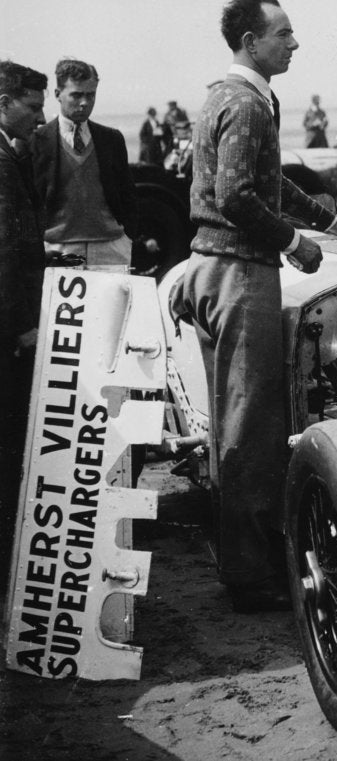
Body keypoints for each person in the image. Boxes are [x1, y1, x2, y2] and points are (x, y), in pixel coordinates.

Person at [174, 0, 337, 614]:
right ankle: (250, 576)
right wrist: (293, 242)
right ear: (250, 41)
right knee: (250, 428)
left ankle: (246, 554)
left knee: (235, 421)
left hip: (215, 268)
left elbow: (267, 183)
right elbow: (236, 196)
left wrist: (332, 222)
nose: (295, 43)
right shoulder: (245, 102)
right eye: (282, 34)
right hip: (238, 273)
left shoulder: (239, 97)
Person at [30, 59, 138, 272]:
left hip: (110, 247)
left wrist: (128, 237)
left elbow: (128, 194)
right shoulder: (37, 140)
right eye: (76, 95)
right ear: (58, 93)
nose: (84, 102)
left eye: (91, 95)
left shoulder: (111, 139)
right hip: (58, 249)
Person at [0, 61, 47, 542]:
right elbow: (4, 255)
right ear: (3, 103)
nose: (39, 118)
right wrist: (20, 329)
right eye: (32, 107)